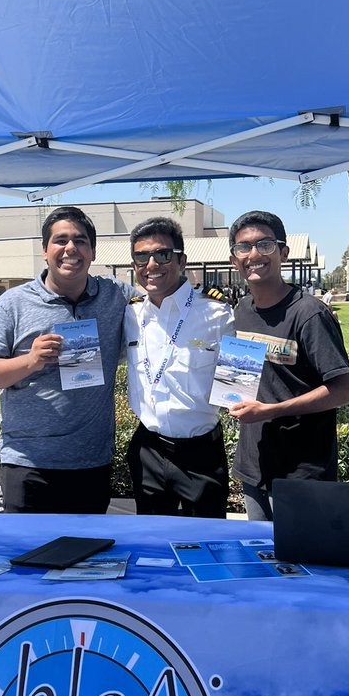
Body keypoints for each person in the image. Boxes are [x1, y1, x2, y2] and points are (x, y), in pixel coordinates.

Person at [0, 205, 129, 514]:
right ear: (45, 251)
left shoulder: (115, 296)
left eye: (81, 241)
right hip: (28, 464)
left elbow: (160, 301)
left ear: (93, 252)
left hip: (91, 463)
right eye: (61, 240)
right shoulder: (12, 304)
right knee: (29, 558)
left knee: (87, 558)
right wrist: (30, 360)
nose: (71, 248)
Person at [224, 211, 349, 520]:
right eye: (244, 247)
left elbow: (344, 389)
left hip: (302, 471)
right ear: (234, 259)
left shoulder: (310, 314)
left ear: (283, 252)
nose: (254, 254)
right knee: (262, 561)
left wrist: (271, 411)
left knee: (299, 564)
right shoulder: (241, 311)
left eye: (265, 245)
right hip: (254, 465)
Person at [124, 216, 234, 518]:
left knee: (208, 547)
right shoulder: (130, 315)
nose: (151, 264)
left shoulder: (217, 313)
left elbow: (240, 380)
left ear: (181, 260)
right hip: (148, 449)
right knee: (153, 548)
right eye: (141, 257)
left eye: (162, 255)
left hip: (201, 453)